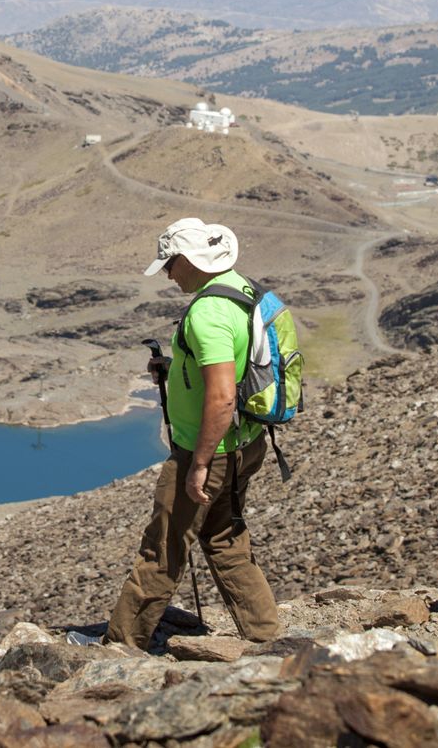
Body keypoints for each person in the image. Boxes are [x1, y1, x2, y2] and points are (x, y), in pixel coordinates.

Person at [86, 217, 281, 649]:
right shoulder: (241, 289)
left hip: (208, 451)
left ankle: (121, 646)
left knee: (163, 548)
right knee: (226, 538)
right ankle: (267, 639)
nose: (169, 274)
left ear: (189, 260)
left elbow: (222, 397)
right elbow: (233, 364)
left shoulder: (208, 311)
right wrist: (176, 371)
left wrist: (199, 463)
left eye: (170, 264)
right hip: (247, 443)